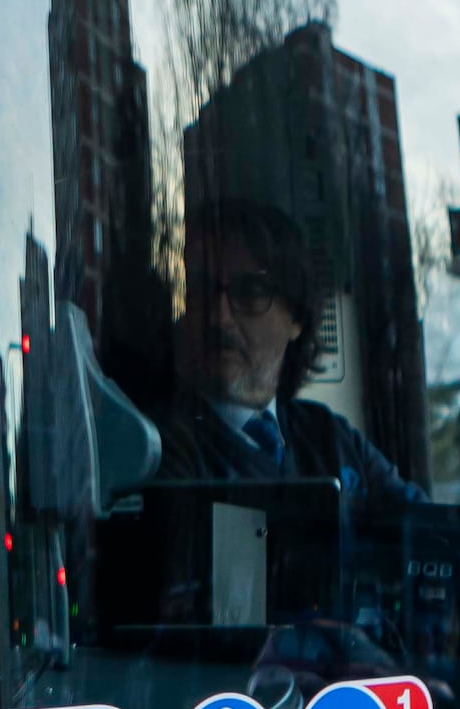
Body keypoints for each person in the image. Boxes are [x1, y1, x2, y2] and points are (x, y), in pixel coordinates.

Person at [165, 197, 412, 509]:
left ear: (295, 315)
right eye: (200, 289)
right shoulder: (165, 446)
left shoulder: (330, 436)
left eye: (249, 292)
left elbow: (435, 535)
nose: (218, 317)